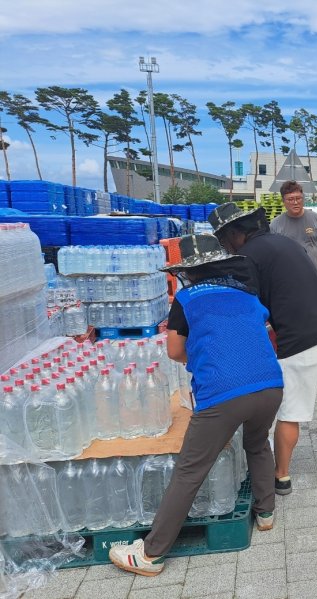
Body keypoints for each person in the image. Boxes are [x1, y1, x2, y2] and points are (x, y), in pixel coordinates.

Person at [109, 234, 283, 576]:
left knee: (190, 469)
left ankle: (151, 554)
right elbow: (257, 333)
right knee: (258, 442)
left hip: (223, 392)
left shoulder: (186, 299)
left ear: (187, 271)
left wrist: (207, 359)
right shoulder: (245, 293)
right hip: (270, 386)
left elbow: (175, 352)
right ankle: (266, 512)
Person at [209, 203, 317, 495]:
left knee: (291, 412)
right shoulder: (284, 243)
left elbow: (250, 309)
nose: (226, 247)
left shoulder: (247, 257)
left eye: (225, 240)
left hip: (300, 339)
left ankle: (282, 475)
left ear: (236, 233)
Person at [270, 180, 317, 292]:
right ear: (283, 201)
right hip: (288, 282)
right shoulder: (276, 225)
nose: (295, 202)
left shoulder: (316, 219)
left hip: (315, 280)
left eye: (298, 198)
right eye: (290, 199)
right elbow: (272, 256)